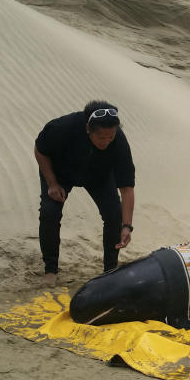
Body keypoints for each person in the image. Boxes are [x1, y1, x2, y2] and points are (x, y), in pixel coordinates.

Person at [35, 101, 135, 283]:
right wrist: (52, 183)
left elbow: (127, 188)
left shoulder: (119, 141)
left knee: (114, 215)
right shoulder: (63, 127)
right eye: (101, 138)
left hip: (99, 175)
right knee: (50, 212)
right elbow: (40, 150)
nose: (106, 141)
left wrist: (127, 226)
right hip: (60, 172)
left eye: (110, 137)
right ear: (88, 128)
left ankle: (110, 272)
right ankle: (50, 270)